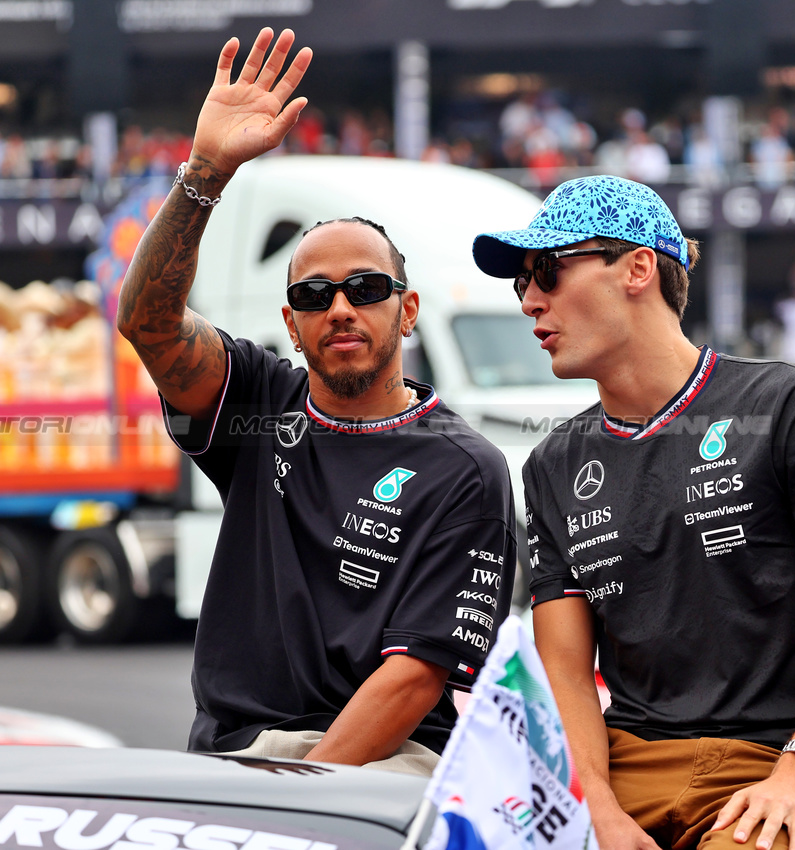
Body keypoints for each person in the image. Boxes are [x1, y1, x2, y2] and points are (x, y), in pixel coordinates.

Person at [117, 28, 516, 775]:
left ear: (408, 310)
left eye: (366, 289)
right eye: (313, 294)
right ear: (291, 326)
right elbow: (146, 323)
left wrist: (304, 795)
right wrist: (205, 172)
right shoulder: (259, 404)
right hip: (233, 755)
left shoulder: (467, 469)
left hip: (381, 763)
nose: (340, 308)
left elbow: (413, 679)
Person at [472, 175, 795, 850]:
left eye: (547, 271)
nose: (529, 300)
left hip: (786, 763)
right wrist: (598, 811)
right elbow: (567, 677)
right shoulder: (551, 465)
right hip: (627, 769)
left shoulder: (786, 401)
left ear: (637, 267)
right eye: (520, 282)